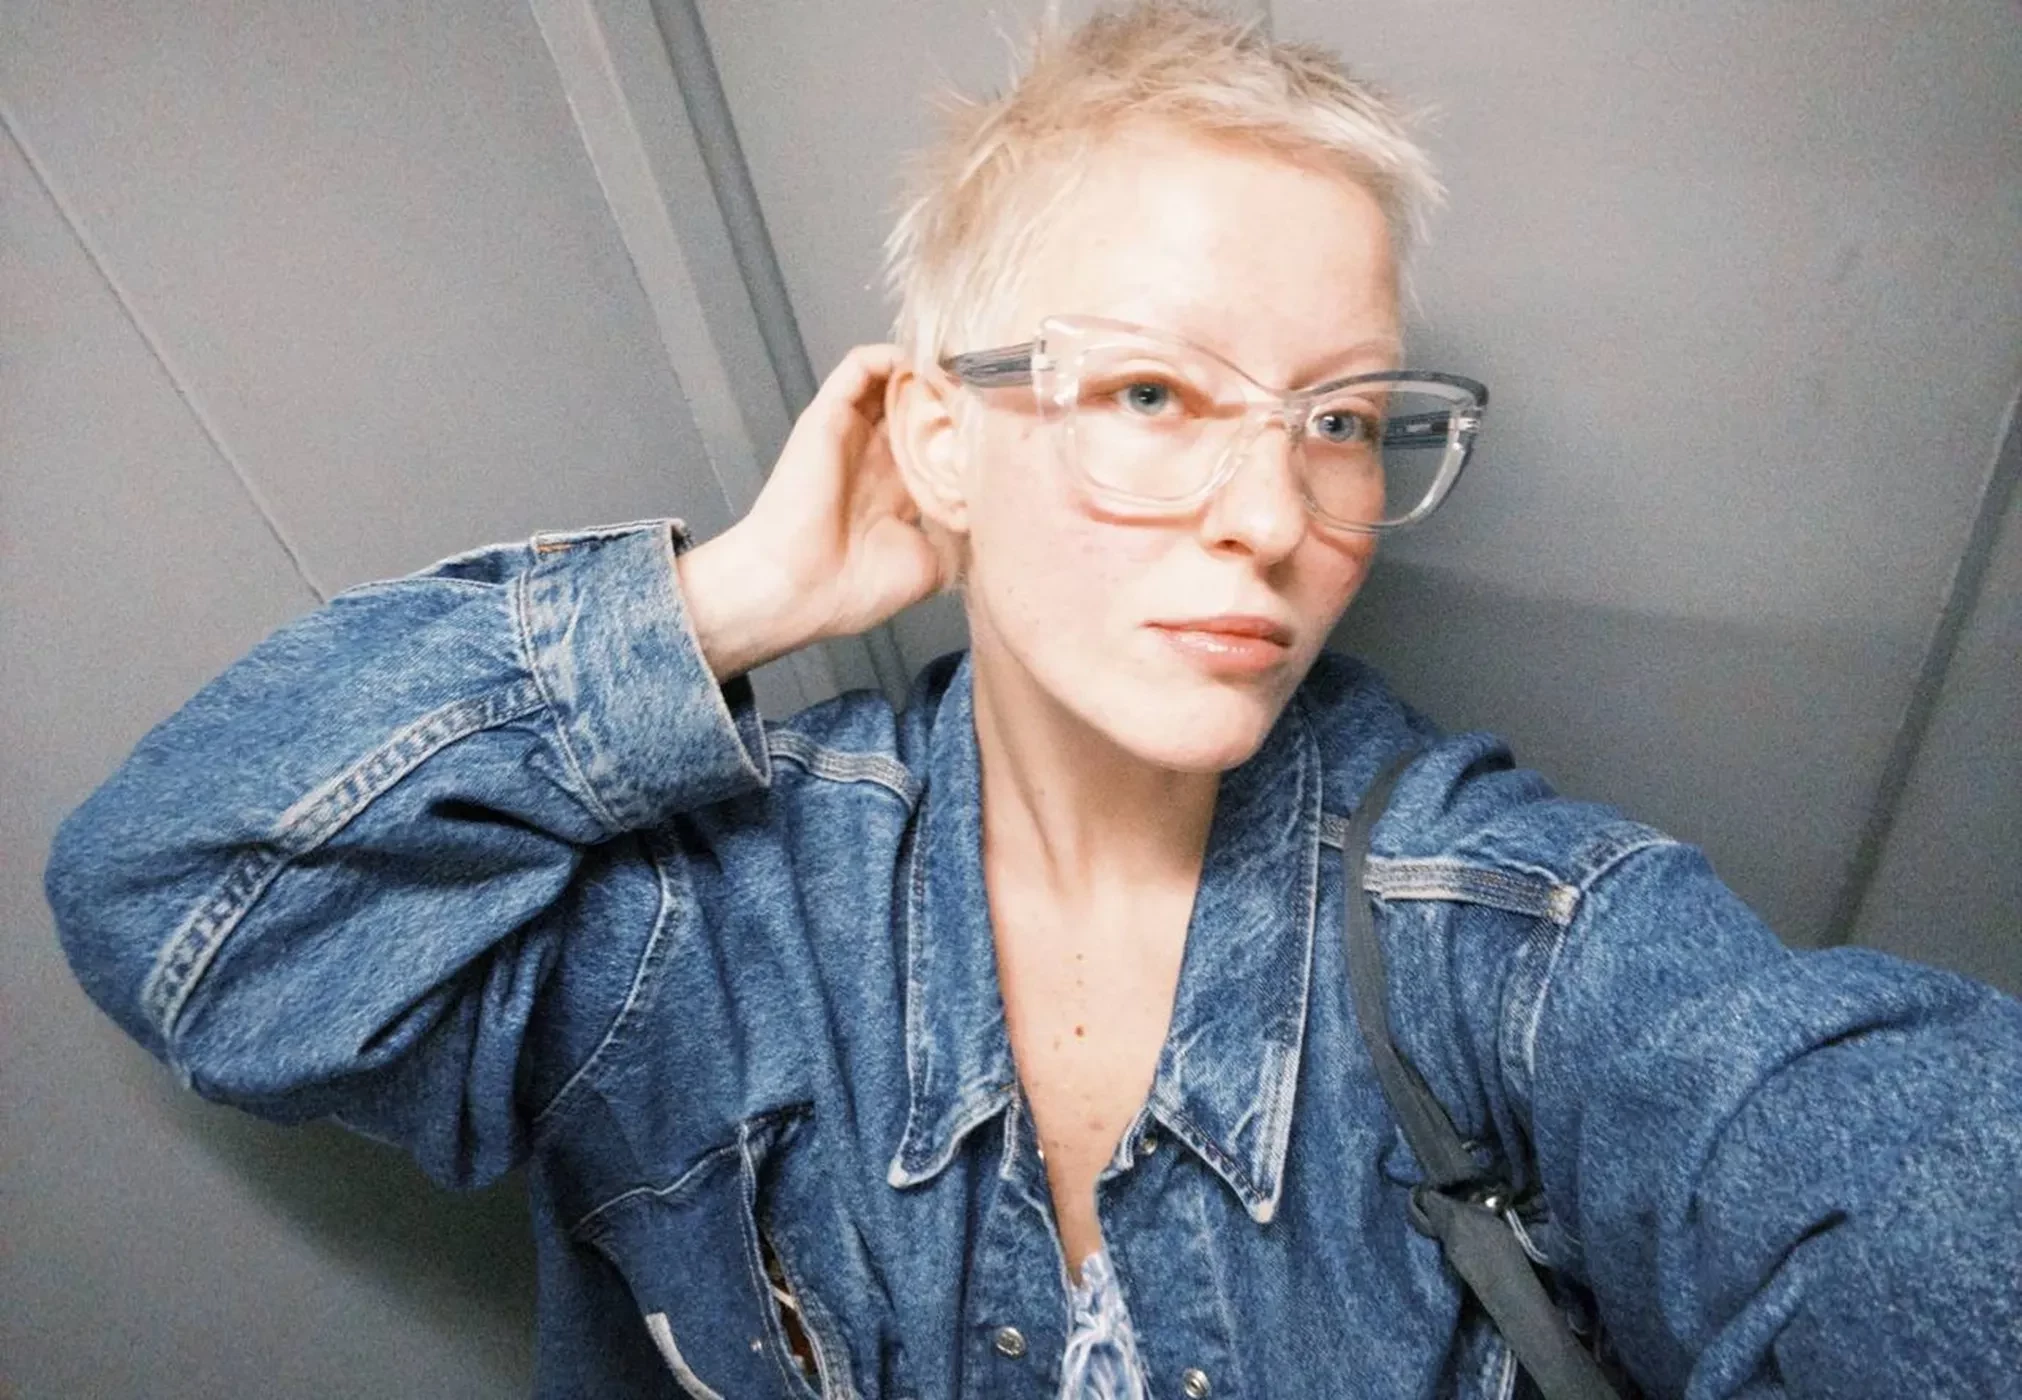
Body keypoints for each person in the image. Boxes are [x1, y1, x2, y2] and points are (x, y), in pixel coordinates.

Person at [43, 4, 2022, 1397]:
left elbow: (1860, 1169)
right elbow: (186, 906)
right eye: (1155, 391)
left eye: (1343, 417)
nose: (1278, 516)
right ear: (940, 437)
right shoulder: (705, 929)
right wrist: (727, 599)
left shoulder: (1510, 936)